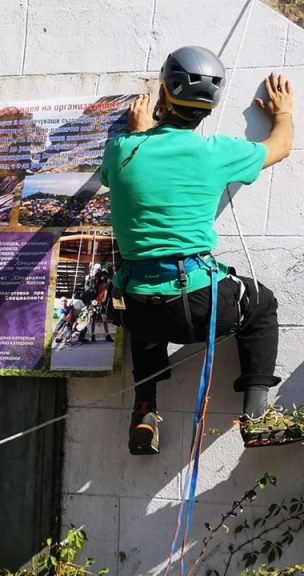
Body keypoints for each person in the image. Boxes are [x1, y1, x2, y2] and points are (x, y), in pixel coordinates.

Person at [101, 45, 297, 455]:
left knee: (144, 306)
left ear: (164, 92)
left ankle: (145, 409)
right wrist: (282, 113)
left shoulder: (121, 150)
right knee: (261, 303)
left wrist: (138, 133)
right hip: (200, 306)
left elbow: (117, 174)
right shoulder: (216, 153)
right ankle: (256, 415)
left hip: (139, 307)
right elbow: (279, 147)